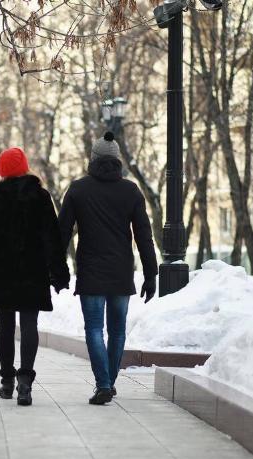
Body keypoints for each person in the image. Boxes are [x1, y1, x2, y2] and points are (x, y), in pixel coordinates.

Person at [58, 131, 158, 405]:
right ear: (117, 161)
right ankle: (108, 382)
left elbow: (62, 234)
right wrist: (151, 275)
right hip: (121, 270)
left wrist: (57, 270)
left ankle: (104, 383)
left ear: (93, 159)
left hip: (90, 270)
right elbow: (144, 236)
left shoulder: (78, 189)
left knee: (93, 328)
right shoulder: (130, 191)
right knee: (117, 330)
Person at [0, 147, 70, 406]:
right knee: (29, 326)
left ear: (1, 171)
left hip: (2, 272)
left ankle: (7, 381)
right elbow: (52, 238)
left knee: (5, 327)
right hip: (32, 272)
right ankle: (25, 381)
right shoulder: (40, 196)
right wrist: (59, 273)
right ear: (25, 167)